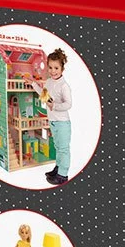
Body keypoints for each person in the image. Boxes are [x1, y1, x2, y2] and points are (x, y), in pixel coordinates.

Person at [32, 48, 72, 185]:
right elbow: (44, 96)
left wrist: (54, 106)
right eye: (50, 67)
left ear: (62, 69)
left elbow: (68, 104)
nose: (53, 71)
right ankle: (58, 168)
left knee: (63, 149)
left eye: (56, 68)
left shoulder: (64, 86)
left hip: (62, 122)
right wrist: (33, 84)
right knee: (57, 147)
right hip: (53, 121)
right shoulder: (49, 82)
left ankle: (63, 175)